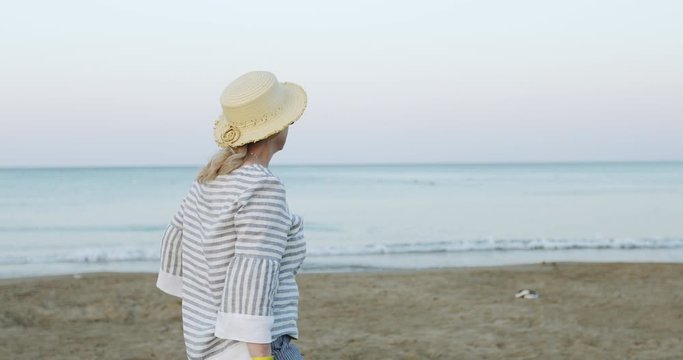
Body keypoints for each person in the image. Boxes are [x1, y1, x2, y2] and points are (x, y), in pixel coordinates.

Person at [156, 70, 308, 360]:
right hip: (253, 347)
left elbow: (179, 243)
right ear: (277, 127)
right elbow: (254, 272)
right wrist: (263, 357)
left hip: (208, 345)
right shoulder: (263, 186)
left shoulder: (209, 179)